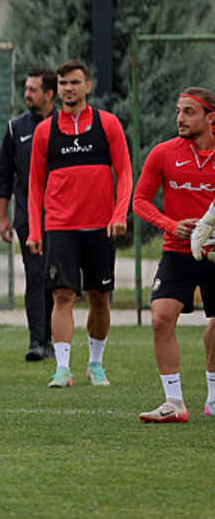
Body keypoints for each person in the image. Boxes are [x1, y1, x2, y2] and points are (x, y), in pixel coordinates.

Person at [27, 60, 132, 389]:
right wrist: (35, 230)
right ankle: (62, 369)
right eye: (62, 83)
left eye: (74, 82)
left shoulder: (108, 124)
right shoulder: (45, 131)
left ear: (88, 86)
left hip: (100, 227)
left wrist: (119, 214)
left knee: (99, 297)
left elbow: (125, 173)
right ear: (56, 88)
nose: (68, 88)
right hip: (60, 226)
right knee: (62, 295)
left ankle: (95, 365)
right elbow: (35, 184)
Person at [133, 89, 215, 422]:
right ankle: (174, 402)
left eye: (189, 112)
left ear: (210, 117)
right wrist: (171, 225)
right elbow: (140, 201)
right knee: (160, 318)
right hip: (178, 251)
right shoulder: (164, 153)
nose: (180, 118)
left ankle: (214, 398)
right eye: (178, 111)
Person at [0, 67, 58, 362]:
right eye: (26, 88)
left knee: (55, 278)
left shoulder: (64, 126)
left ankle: (53, 340)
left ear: (49, 94)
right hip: (28, 218)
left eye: (33, 89)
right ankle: (37, 342)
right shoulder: (16, 129)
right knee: (35, 276)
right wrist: (3, 217)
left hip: (61, 218)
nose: (27, 94)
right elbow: (4, 174)